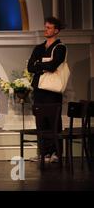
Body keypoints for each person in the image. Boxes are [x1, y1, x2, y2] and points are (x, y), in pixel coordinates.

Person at [27, 17, 66, 163]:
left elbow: (53, 65)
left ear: (56, 30)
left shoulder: (60, 47)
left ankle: (56, 152)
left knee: (54, 121)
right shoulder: (39, 48)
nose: (46, 30)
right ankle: (44, 153)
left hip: (52, 91)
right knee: (41, 121)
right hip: (39, 89)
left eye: (49, 27)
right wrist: (44, 64)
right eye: (45, 27)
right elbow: (30, 67)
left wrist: (40, 64)